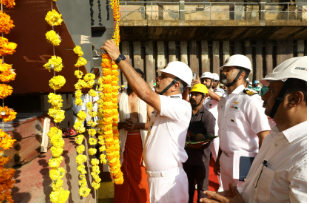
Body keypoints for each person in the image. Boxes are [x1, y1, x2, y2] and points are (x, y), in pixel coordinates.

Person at [201, 56, 307, 203]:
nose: (263, 96)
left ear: (295, 98)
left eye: (270, 90)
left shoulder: (304, 154)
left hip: (242, 158)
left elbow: (261, 133)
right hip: (225, 156)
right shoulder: (274, 137)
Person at [102, 40, 192, 203]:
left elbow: (145, 93)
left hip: (168, 180)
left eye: (163, 77)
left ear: (175, 85)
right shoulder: (166, 105)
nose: (157, 78)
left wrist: (119, 58)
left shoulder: (180, 106)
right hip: (157, 179)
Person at [214, 54, 271, 190]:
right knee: (227, 196)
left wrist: (261, 167)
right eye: (223, 69)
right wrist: (218, 158)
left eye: (228, 70)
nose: (223, 72)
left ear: (241, 74)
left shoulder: (250, 99)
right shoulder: (223, 100)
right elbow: (223, 132)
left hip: (244, 160)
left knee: (243, 197)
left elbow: (264, 135)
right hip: (224, 158)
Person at [114, 69, 152, 203]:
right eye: (131, 78)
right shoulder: (118, 98)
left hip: (141, 143)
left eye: (138, 79)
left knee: (140, 174)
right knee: (122, 173)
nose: (133, 82)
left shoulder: (146, 99)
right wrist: (122, 124)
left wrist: (137, 125)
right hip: (123, 143)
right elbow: (109, 124)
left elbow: (153, 124)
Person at [184, 84, 215, 203]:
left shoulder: (208, 116)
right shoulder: (185, 114)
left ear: (203, 98)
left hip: (201, 158)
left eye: (196, 95)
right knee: (188, 187)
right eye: (192, 94)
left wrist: (197, 140)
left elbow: (209, 137)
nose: (193, 97)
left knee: (202, 189)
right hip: (186, 157)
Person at [200, 72, 224, 191]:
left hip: (216, 131)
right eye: (202, 80)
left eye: (207, 80)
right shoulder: (202, 94)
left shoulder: (219, 92)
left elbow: (217, 98)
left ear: (213, 82)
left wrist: (203, 88)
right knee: (203, 158)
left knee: (216, 157)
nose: (204, 82)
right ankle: (201, 181)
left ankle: (222, 183)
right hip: (204, 130)